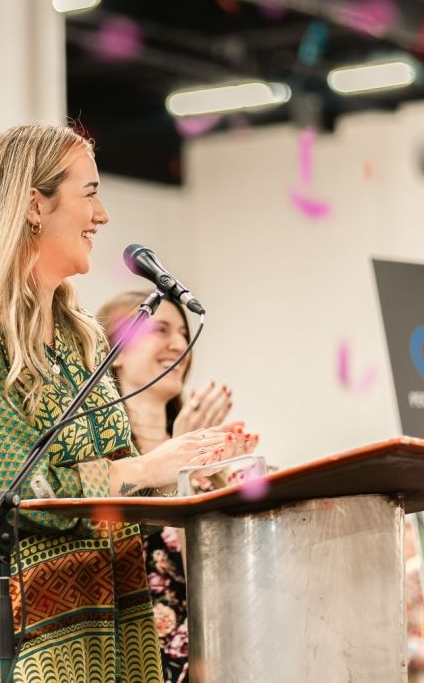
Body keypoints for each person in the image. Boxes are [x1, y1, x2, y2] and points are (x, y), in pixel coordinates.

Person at [0, 123, 240, 682]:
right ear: (34, 205)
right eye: (90, 193)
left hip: (107, 639)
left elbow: (119, 488)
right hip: (12, 651)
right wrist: (147, 467)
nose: (102, 216)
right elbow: (13, 494)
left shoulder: (83, 338)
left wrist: (196, 472)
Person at [98, 290, 255, 683]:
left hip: (217, 654)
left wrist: (218, 473)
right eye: (161, 330)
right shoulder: (103, 463)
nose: (180, 345)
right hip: (134, 660)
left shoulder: (209, 453)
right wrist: (180, 470)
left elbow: (234, 573)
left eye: (184, 333)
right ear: (115, 351)